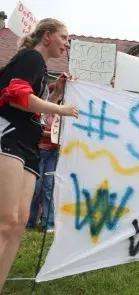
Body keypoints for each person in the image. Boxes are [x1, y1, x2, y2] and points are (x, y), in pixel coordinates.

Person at [0, 18, 79, 291]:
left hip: (29, 146)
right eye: (64, 37)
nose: (67, 43)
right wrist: (62, 109)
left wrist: (55, 94)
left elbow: (36, 109)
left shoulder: (42, 69)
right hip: (9, 137)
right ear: (47, 36)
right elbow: (17, 98)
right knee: (6, 219)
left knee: (19, 223)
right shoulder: (31, 57)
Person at [26, 84, 59, 232]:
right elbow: (36, 130)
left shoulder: (59, 114)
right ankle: (29, 222)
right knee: (35, 188)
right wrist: (52, 135)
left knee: (48, 188)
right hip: (38, 152)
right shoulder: (40, 112)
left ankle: (48, 224)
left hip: (53, 154)